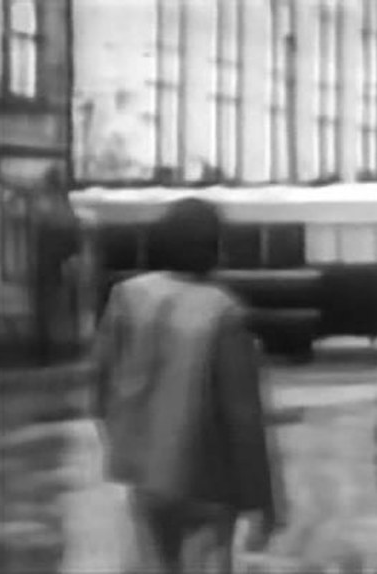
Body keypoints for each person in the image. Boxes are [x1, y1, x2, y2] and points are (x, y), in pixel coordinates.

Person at [92, 198, 282, 573]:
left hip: (145, 478)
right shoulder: (223, 311)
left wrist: (124, 445)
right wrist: (263, 500)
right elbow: (243, 416)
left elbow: (101, 387)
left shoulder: (128, 296)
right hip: (207, 481)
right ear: (215, 248)